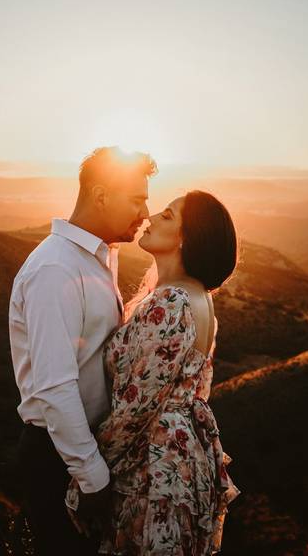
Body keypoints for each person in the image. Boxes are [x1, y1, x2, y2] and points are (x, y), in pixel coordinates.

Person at [66, 190, 241, 555]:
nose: (151, 217)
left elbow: (137, 407)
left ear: (185, 238)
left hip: (153, 463)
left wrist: (87, 474)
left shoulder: (172, 302)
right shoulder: (199, 297)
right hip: (179, 454)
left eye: (167, 215)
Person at [9, 146, 158, 554]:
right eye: (137, 199)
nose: (146, 213)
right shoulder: (56, 270)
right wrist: (93, 476)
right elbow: (54, 388)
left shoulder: (96, 257)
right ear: (101, 195)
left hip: (84, 447)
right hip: (58, 456)